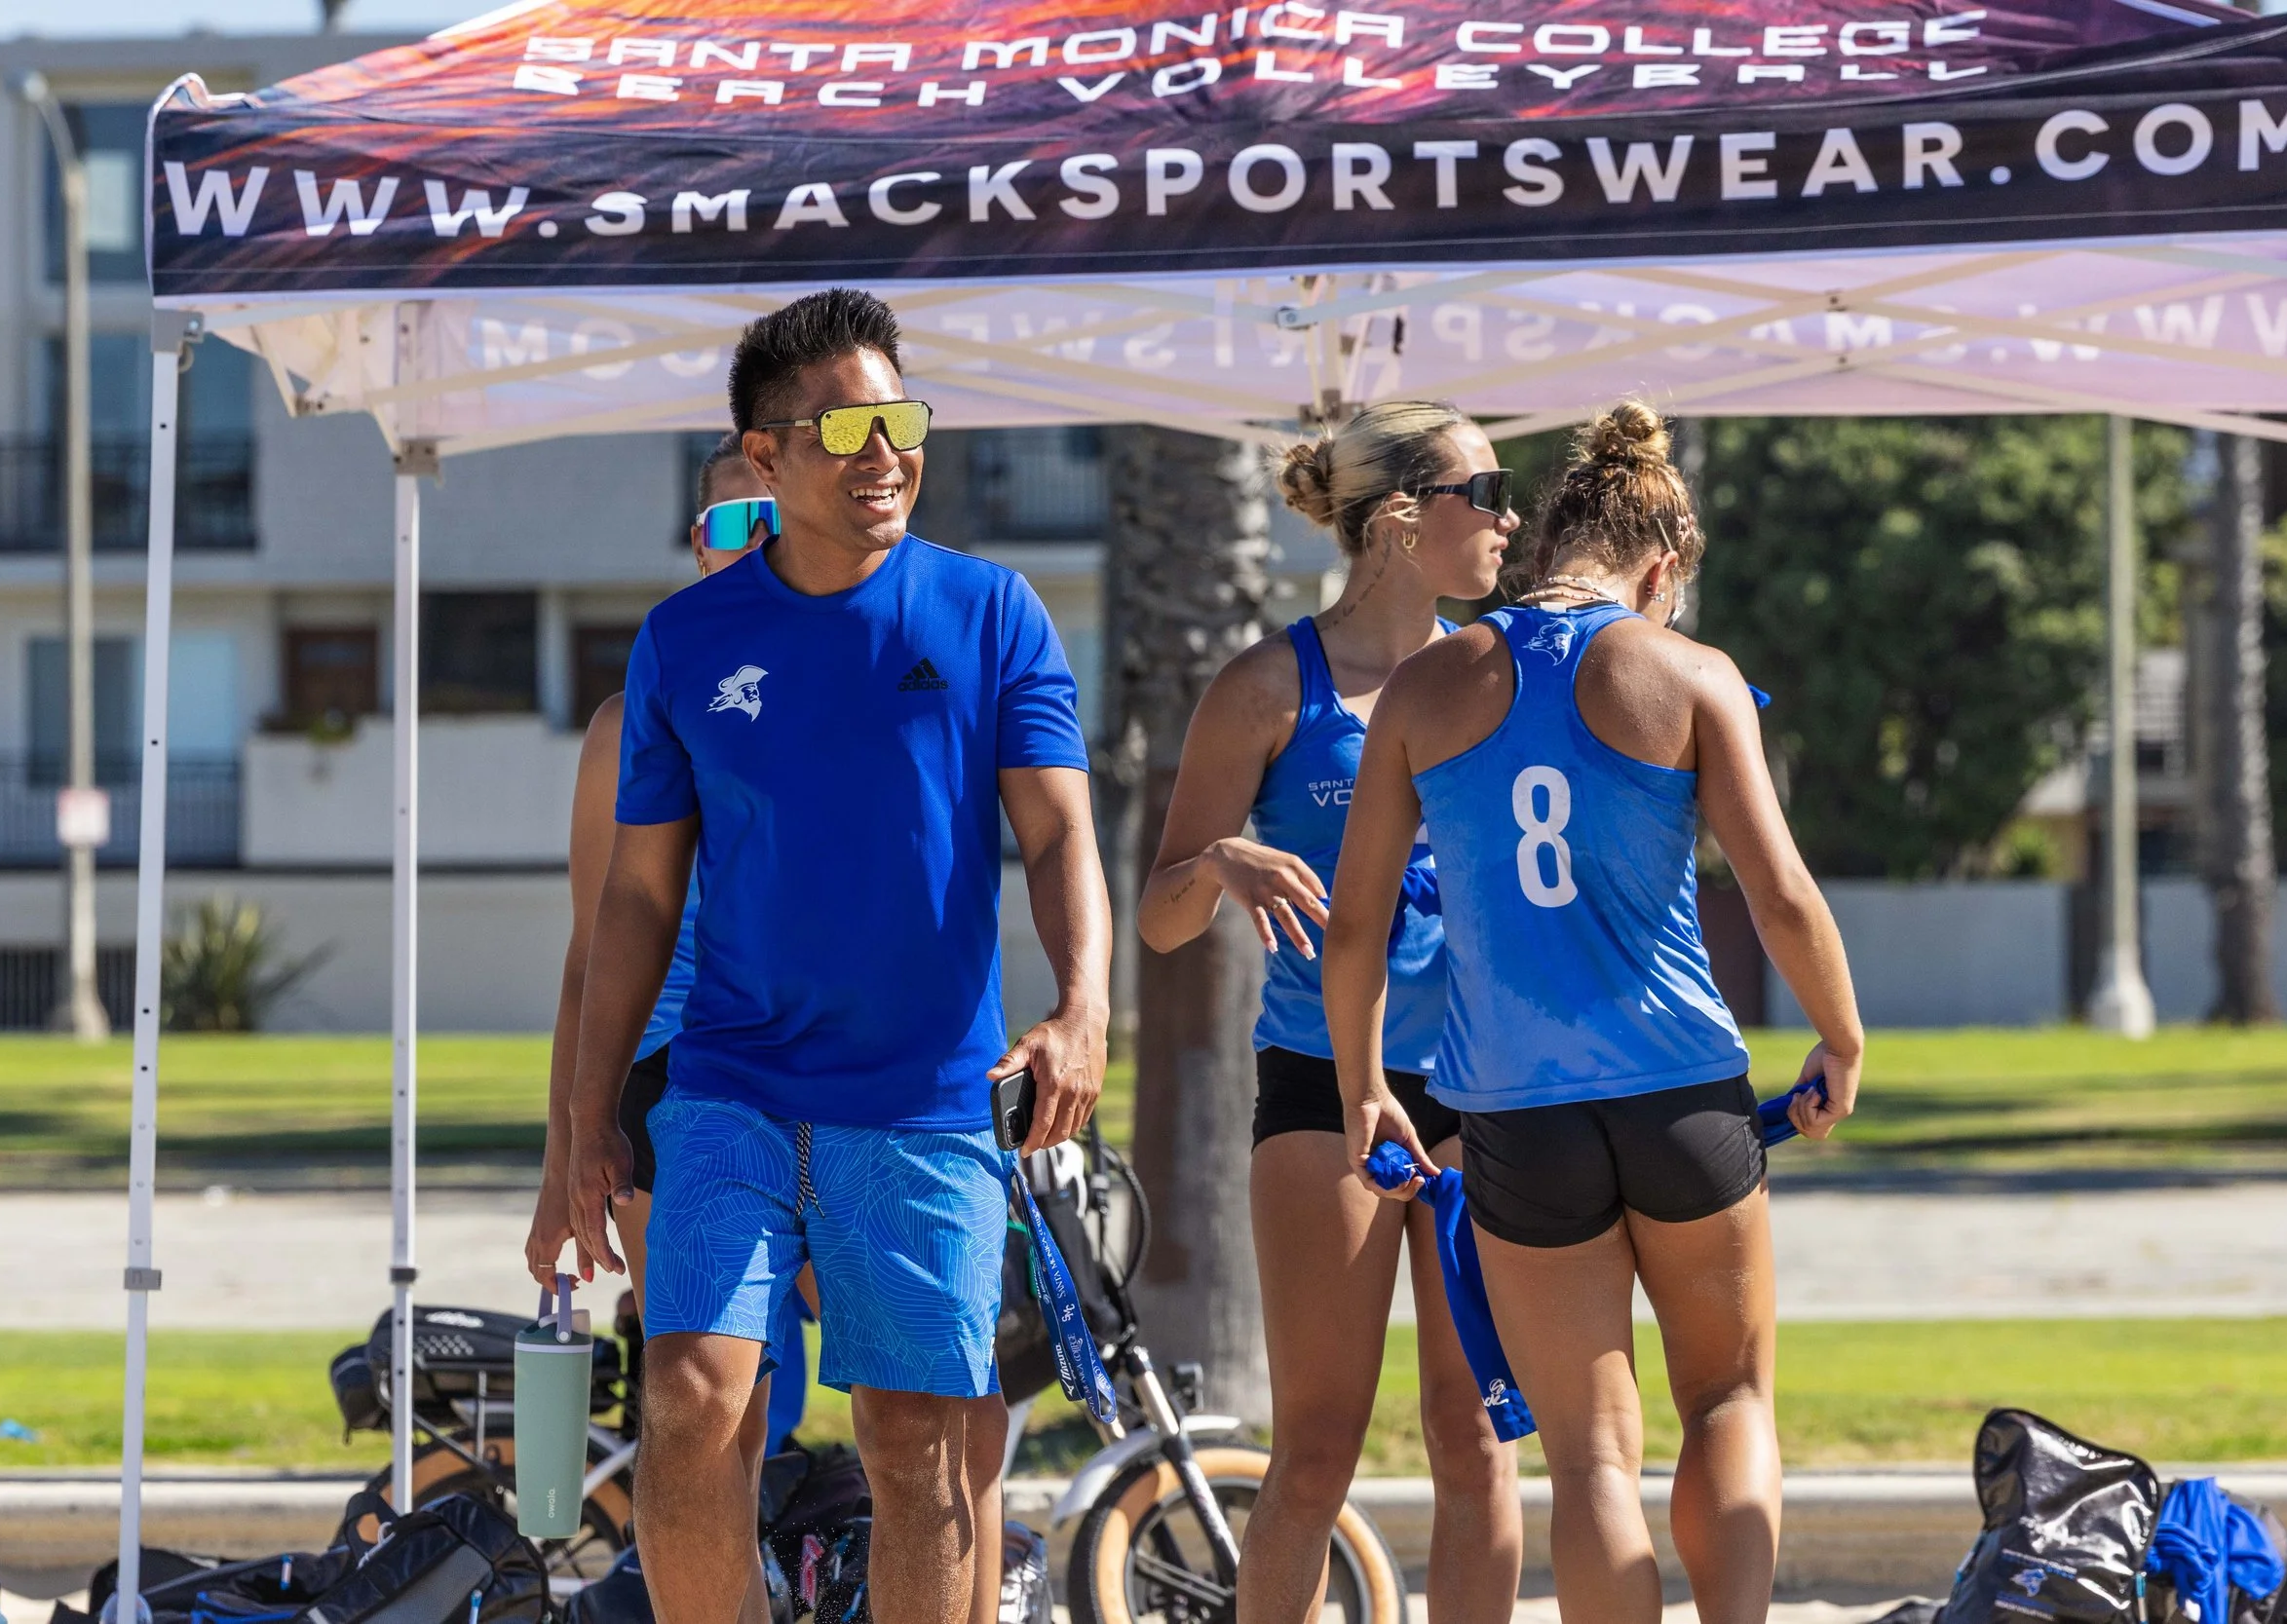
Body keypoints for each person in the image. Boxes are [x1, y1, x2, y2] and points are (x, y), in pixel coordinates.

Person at [563, 288, 1111, 1624]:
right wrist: (586, 1115)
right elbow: (635, 899)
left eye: (900, 420)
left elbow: (1056, 834)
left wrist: (1086, 1001)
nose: (885, 456)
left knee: (914, 1445)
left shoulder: (991, 612)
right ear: (764, 455)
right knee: (691, 1400)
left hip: (924, 1100)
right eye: (847, 428)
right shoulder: (685, 641)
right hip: (729, 1083)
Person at [1324, 400, 1864, 1624]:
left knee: (1587, 1455)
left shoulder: (1421, 685)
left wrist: (1363, 1087)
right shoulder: (1686, 672)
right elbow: (1778, 891)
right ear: (1659, 565)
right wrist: (1840, 1034)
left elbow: (1355, 923)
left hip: (1515, 1111)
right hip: (1682, 1095)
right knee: (1726, 1399)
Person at [1139, 401, 1524, 1624]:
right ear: (1405, 519)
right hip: (1320, 1089)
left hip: (1487, 1089)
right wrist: (1219, 865)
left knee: (1478, 1441)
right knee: (1314, 1452)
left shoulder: (1506, 673)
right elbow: (1157, 916)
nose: (1512, 518)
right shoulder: (1266, 687)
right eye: (1488, 490)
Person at [523, 438, 810, 1577]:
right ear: (697, 547)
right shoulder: (625, 721)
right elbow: (589, 958)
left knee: (898, 1394)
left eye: (771, 529)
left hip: (835, 1081)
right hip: (671, 1082)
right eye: (732, 528)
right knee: (708, 1394)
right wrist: (562, 1157)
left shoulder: (856, 692)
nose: (752, 551)